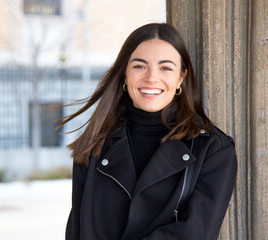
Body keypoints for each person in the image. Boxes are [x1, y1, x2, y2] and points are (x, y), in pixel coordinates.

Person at [59, 23, 237, 240]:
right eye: (139, 66)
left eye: (166, 68)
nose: (152, 78)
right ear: (125, 74)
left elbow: (196, 232)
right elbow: (77, 231)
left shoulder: (213, 149)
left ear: (181, 77)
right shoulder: (94, 144)